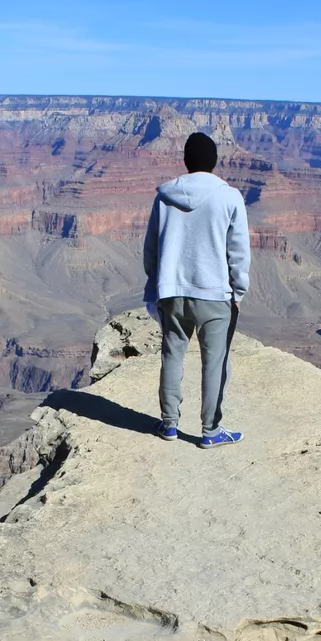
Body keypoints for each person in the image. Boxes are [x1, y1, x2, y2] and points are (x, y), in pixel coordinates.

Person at [142, 132, 251, 448]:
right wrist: (239, 292)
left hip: (172, 292)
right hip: (215, 295)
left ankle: (169, 425)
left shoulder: (164, 196)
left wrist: (158, 284)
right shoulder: (229, 197)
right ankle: (210, 432)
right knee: (215, 362)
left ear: (186, 161)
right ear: (215, 162)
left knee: (172, 355)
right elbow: (239, 251)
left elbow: (151, 248)